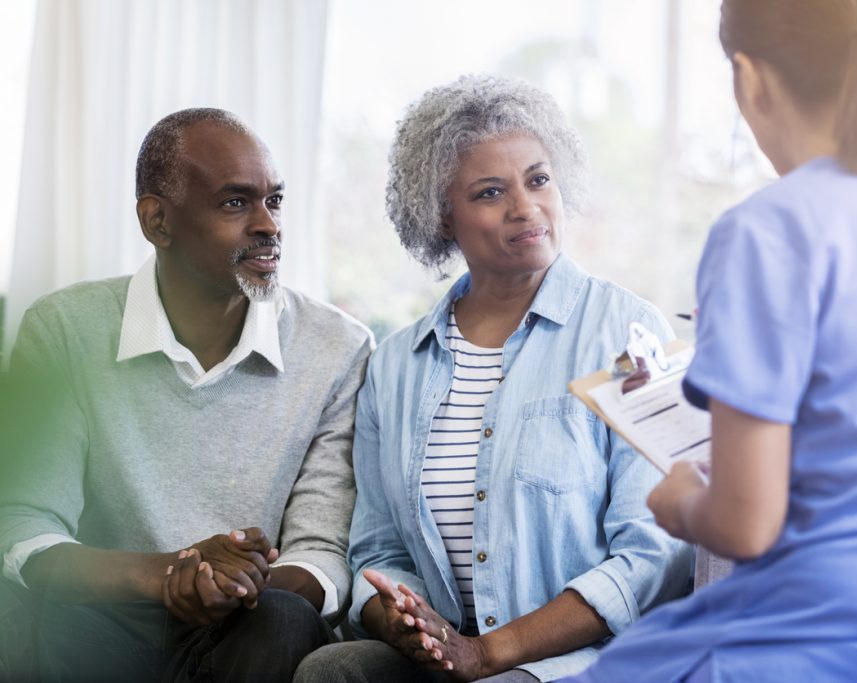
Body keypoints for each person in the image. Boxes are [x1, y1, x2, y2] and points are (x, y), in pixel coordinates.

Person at [559, 1, 857, 682]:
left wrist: (681, 499)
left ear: (750, 79)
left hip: (834, 631)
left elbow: (745, 523)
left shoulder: (767, 231)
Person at [294, 75, 692, 683]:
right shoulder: (395, 366)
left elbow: (653, 554)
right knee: (335, 670)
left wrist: (489, 652)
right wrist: (399, 616)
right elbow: (379, 550)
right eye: (489, 192)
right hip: (445, 655)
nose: (525, 207)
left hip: (582, 661)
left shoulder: (632, 333)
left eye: (538, 179)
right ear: (441, 215)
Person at [0, 108, 374, 681]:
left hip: (248, 624)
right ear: (157, 222)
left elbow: (322, 554)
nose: (268, 225)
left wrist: (227, 585)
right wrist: (168, 574)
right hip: (106, 620)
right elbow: (26, 529)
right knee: (33, 609)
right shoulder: (67, 328)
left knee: (284, 619)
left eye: (274, 200)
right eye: (235, 202)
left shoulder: (338, 347)